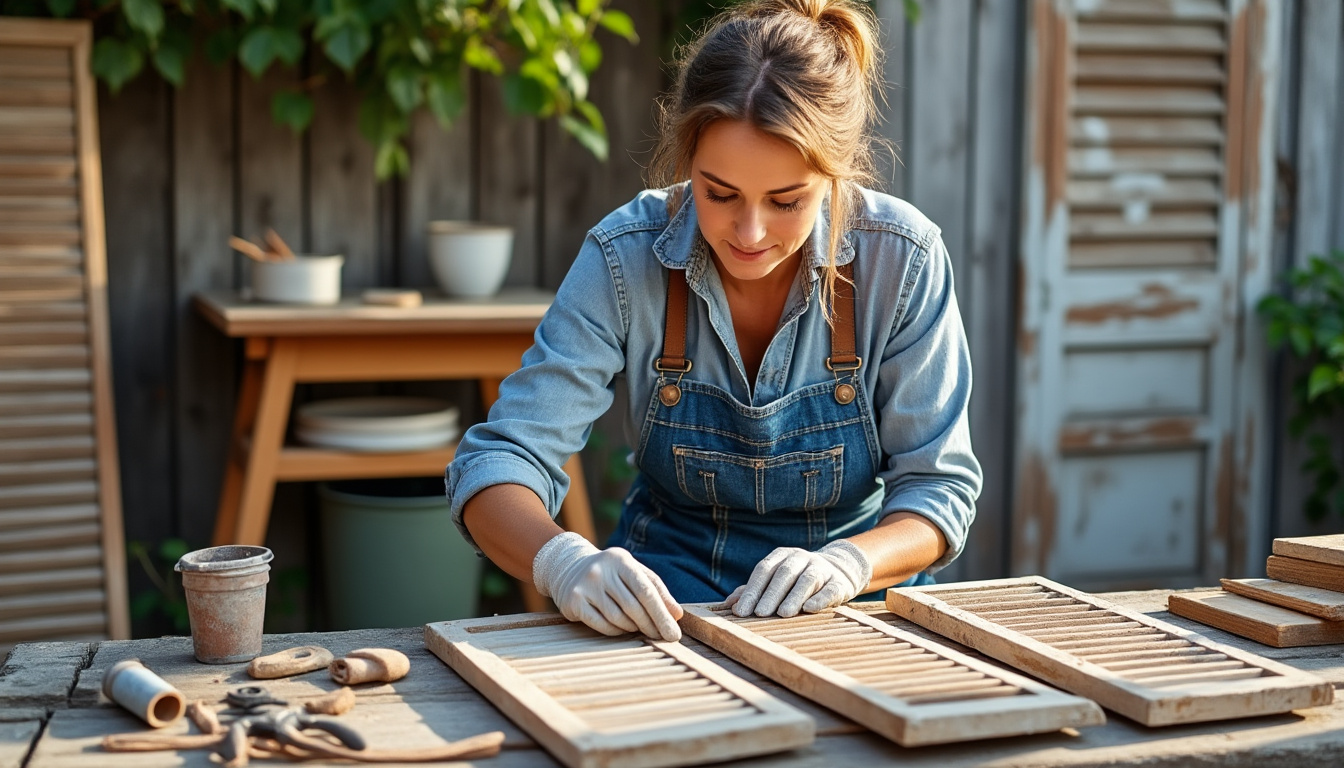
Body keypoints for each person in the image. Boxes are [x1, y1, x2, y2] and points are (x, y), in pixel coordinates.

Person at [447, 0, 981, 642]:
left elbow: (938, 489)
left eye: (787, 201)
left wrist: (848, 563)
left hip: (853, 605)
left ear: (833, 179)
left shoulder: (902, 259)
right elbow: (500, 460)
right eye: (719, 193)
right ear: (687, 160)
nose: (749, 233)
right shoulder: (626, 257)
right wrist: (564, 563)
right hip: (666, 605)